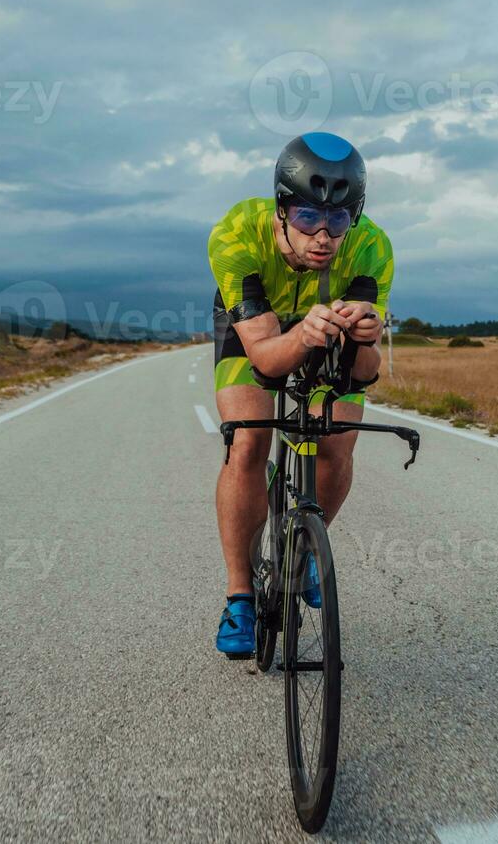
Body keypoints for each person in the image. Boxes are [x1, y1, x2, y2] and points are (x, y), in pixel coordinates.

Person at [207, 133, 394, 657]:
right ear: (281, 210)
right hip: (258, 326)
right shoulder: (236, 233)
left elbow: (363, 373)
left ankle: (307, 549)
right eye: (309, 217)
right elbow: (265, 357)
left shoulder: (372, 247)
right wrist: (300, 335)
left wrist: (365, 337)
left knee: (337, 440)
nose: (324, 237)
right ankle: (240, 596)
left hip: (326, 322)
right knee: (247, 444)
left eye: (338, 221)